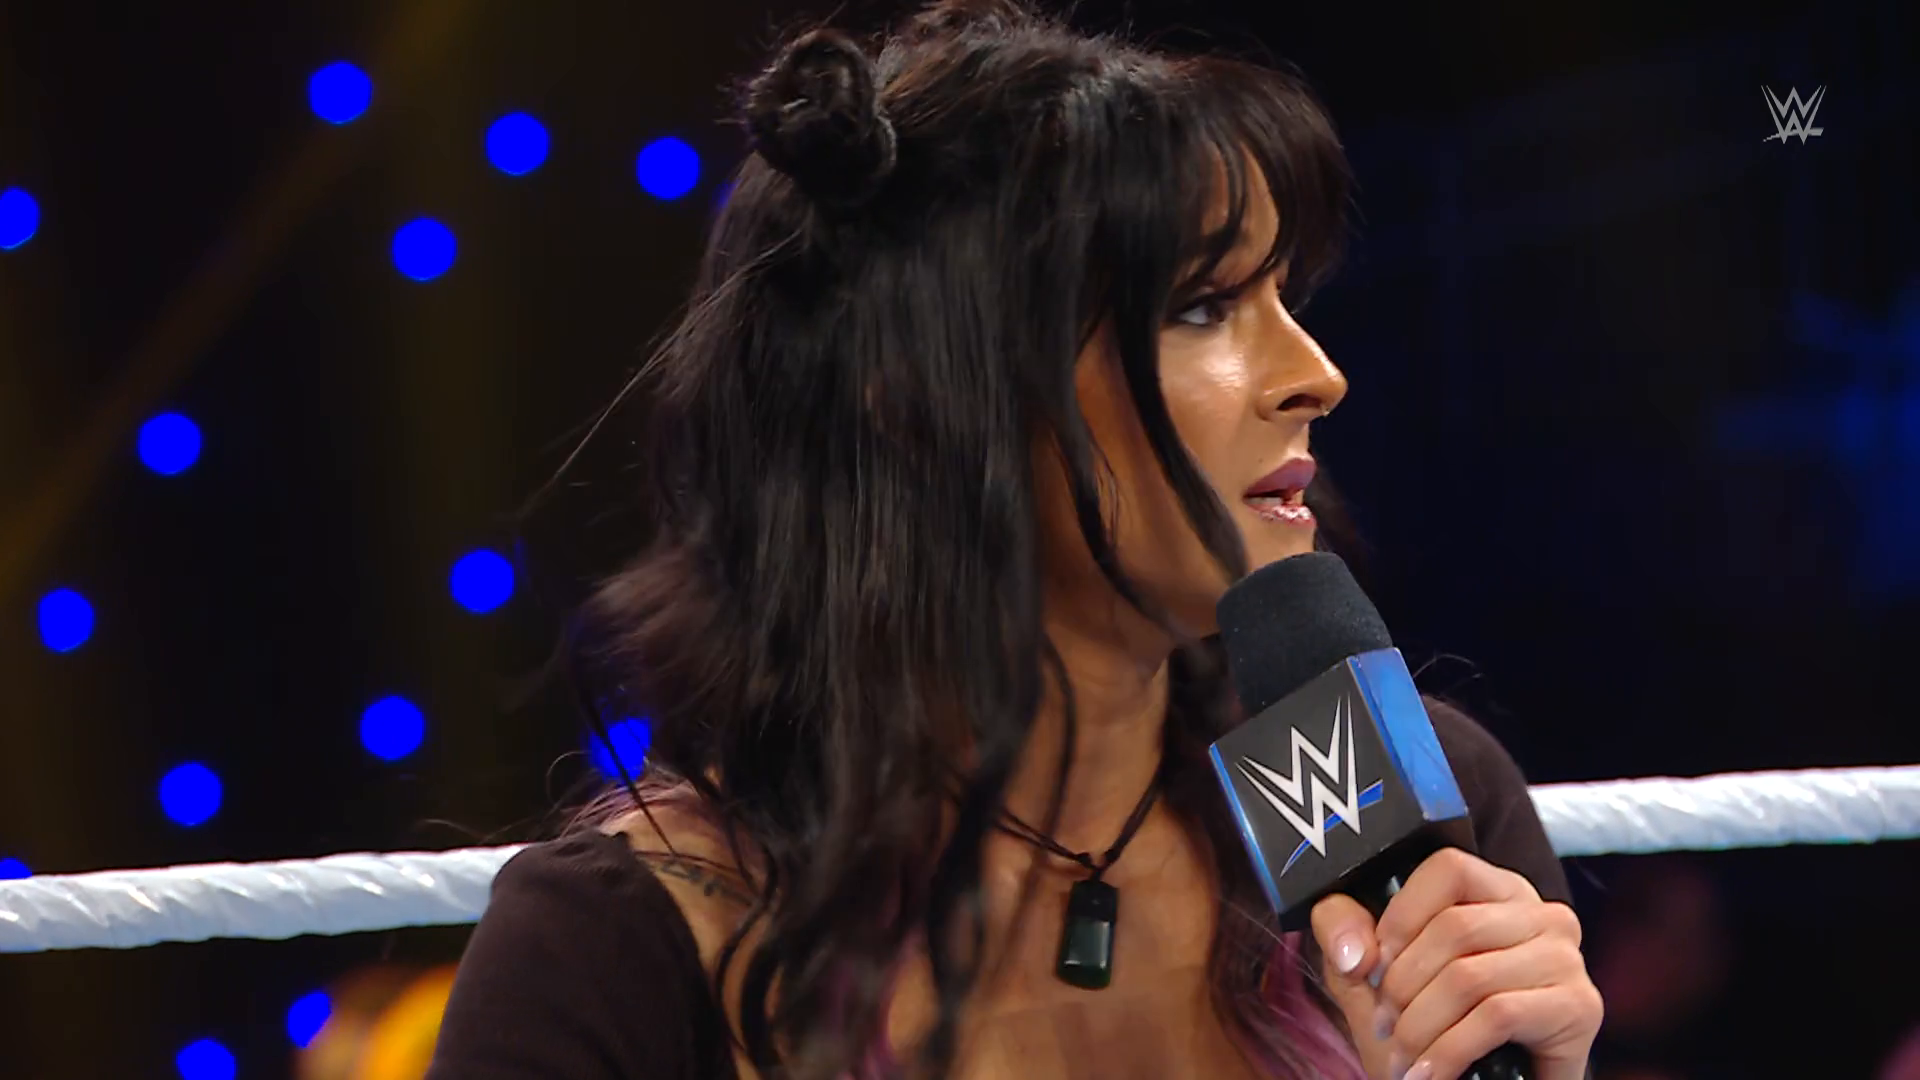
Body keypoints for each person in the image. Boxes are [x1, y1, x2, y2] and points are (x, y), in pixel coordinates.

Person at [425, 2, 1602, 1078]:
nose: (1317, 376)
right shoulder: (620, 942)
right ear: (926, 398)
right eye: (1202, 308)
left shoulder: (1409, 805)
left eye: (1287, 299)